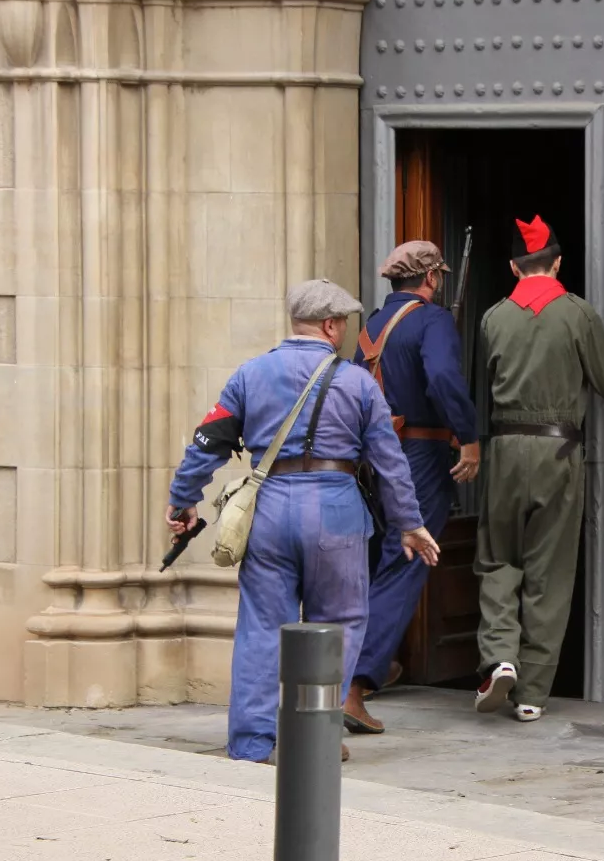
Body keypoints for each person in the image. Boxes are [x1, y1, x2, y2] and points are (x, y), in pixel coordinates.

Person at [166, 278, 439, 764]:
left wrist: (183, 499)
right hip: (335, 512)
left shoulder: (250, 374)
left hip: (268, 510)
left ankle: (253, 743)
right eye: (345, 325)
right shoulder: (357, 383)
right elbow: (390, 462)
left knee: (260, 629)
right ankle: (315, 734)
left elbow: (206, 442)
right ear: (330, 325)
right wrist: (410, 524)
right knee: (340, 623)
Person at [471, 215, 604, 721]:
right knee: (548, 574)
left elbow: (479, 388)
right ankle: (531, 694)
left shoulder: (493, 318)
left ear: (513, 267)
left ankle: (499, 658)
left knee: (497, 560)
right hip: (558, 452)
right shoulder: (577, 314)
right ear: (558, 262)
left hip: (506, 449)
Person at [342, 241, 481, 734]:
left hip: (373, 459)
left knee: (379, 561)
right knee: (405, 562)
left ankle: (375, 664)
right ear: (430, 278)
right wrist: (468, 438)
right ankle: (354, 683)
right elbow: (443, 376)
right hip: (419, 454)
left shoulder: (372, 325)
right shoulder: (433, 320)